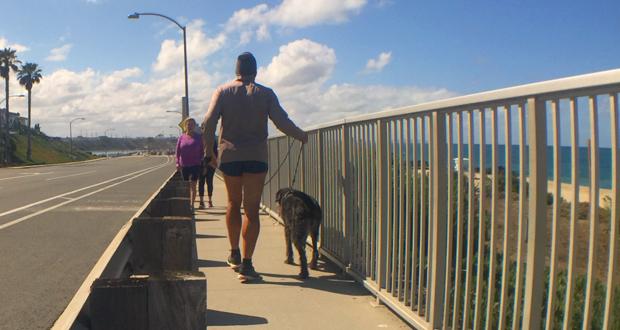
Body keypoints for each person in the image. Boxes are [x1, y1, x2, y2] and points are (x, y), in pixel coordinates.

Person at [202, 52, 308, 282]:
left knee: (233, 203)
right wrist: (301, 135)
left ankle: (234, 253)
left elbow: (208, 122)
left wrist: (208, 153)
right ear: (256, 71)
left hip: (229, 156)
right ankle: (248, 264)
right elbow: (282, 122)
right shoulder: (266, 93)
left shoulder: (222, 91)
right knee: (251, 209)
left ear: (236, 70)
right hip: (256, 157)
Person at [175, 117, 204, 210]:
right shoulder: (181, 138)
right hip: (184, 165)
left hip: (195, 164)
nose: (190, 126)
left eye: (192, 124)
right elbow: (177, 152)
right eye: (188, 124)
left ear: (194, 126)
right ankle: (186, 204)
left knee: (193, 185)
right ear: (185, 126)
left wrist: (202, 162)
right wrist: (177, 163)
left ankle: (191, 205)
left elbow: (202, 151)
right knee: (186, 186)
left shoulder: (198, 137)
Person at [198, 133, 218, 209]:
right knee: (201, 182)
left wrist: (213, 163)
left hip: (211, 165)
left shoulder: (213, 141)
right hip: (201, 164)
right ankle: (201, 201)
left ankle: (210, 200)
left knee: (209, 182)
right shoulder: (199, 141)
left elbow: (215, 153)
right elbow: (198, 153)